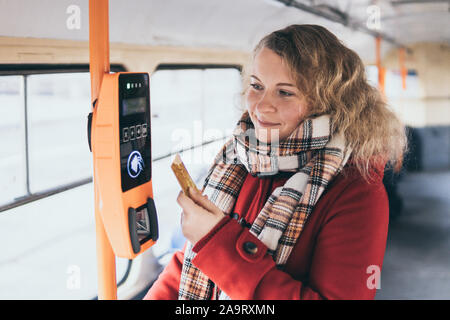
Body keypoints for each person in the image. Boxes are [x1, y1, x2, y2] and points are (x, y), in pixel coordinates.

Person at [144, 24, 407, 300]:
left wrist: (217, 243)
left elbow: (209, 246)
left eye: (284, 92)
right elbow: (189, 263)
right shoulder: (237, 157)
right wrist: (209, 241)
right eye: (257, 85)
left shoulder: (357, 192)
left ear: (326, 102)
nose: (260, 106)